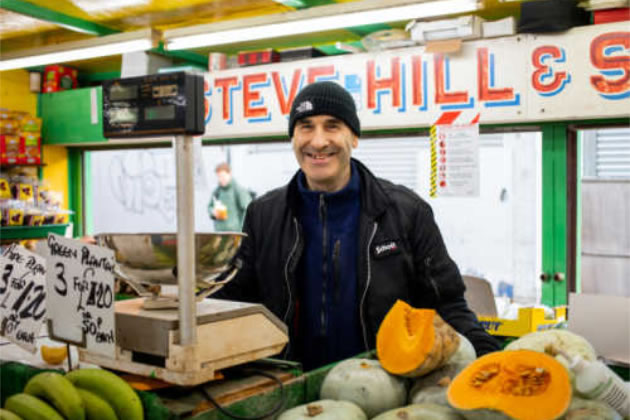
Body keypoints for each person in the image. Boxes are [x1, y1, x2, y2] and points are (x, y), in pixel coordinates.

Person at [214, 81, 500, 370]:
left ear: (354, 137)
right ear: (293, 137)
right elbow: (232, 299)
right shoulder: (264, 215)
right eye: (306, 127)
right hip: (287, 385)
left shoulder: (405, 212)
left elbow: (447, 304)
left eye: (332, 126)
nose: (318, 141)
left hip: (385, 383)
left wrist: (491, 358)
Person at [208, 162, 252, 232]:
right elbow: (210, 206)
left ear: (229, 174)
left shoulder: (238, 190)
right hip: (219, 232)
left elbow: (248, 209)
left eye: (223, 176)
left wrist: (243, 229)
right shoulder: (217, 192)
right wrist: (213, 212)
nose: (221, 179)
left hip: (235, 233)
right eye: (219, 176)